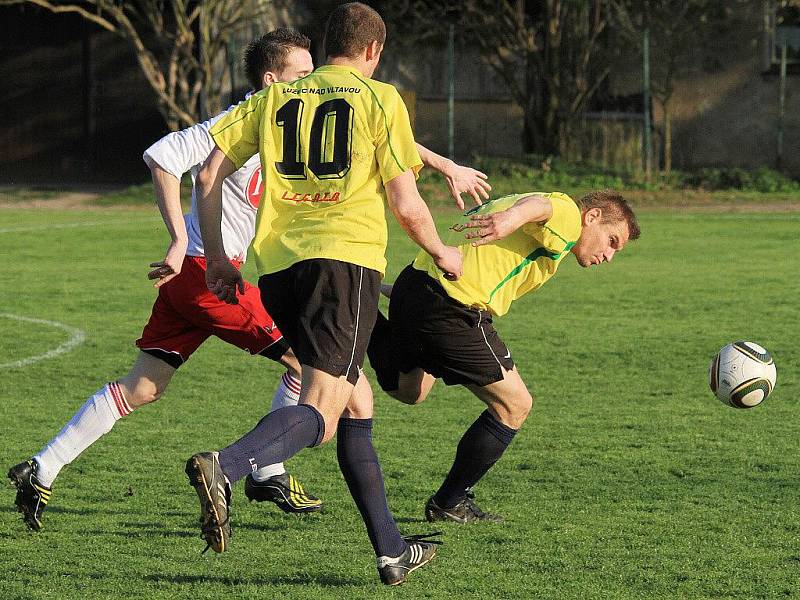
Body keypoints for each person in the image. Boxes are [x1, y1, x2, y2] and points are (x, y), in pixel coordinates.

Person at [187, 2, 465, 586]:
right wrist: (442, 252)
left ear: (326, 43)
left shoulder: (274, 98)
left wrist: (215, 258)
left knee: (356, 399)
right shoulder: (380, 98)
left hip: (278, 270)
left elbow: (208, 174)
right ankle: (227, 465)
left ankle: (391, 551)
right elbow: (405, 201)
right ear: (372, 51)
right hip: (345, 264)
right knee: (323, 407)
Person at [7, 29, 322, 532]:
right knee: (308, 364)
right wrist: (178, 238)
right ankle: (267, 470)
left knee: (143, 387)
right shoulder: (233, 122)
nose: (312, 84)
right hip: (207, 277)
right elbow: (162, 157)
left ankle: (43, 466)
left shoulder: (287, 123)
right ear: (271, 80)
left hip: (189, 283)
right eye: (302, 76)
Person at [367, 189, 641, 523]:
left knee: (410, 391)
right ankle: (449, 502)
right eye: (612, 241)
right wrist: (510, 220)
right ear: (593, 217)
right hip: (451, 308)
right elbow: (542, 208)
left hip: (416, 287)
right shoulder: (569, 214)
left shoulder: (534, 209)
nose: (609, 256)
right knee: (515, 405)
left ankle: (361, 310)